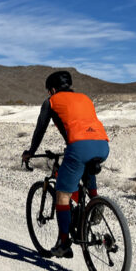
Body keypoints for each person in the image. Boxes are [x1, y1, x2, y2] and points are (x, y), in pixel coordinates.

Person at [22, 71, 109, 258]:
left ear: (52, 89)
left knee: (62, 194)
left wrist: (30, 151)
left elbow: (40, 129)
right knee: (84, 166)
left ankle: (63, 242)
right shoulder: (85, 98)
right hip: (102, 145)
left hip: (78, 147)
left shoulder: (51, 101)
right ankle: (94, 202)